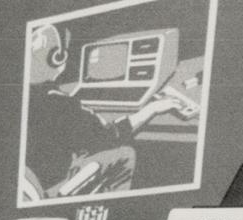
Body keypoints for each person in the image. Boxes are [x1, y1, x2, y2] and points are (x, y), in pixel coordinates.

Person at [21, 22, 189, 200]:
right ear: (57, 58)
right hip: (49, 191)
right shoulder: (61, 103)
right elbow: (109, 136)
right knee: (125, 154)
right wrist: (151, 109)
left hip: (30, 185)